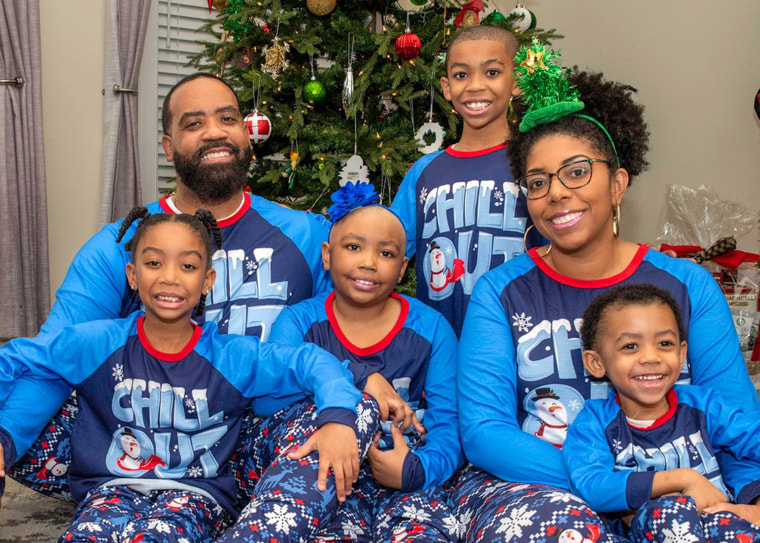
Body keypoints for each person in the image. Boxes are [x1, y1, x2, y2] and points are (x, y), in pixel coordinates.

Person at [453, 39, 760, 540]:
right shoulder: (500, 292)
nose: (556, 192)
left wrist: (751, 497)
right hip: (536, 486)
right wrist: (630, 485)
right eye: (537, 182)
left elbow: (736, 423)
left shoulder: (689, 285)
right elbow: (486, 435)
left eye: (576, 172)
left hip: (681, 493)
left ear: (617, 185)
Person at [5, 72, 335, 503]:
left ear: (247, 135)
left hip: (262, 438)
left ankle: (244, 506)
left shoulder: (306, 235)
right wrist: (5, 439)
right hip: (150, 434)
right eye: (194, 123)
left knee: (341, 409)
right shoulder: (118, 245)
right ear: (168, 146)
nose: (215, 132)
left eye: (228, 119)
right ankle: (139, 495)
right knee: (36, 394)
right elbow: (55, 354)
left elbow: (346, 330)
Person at [0, 209, 374, 542]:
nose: (170, 278)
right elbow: (17, 357)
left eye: (188, 266)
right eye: (153, 263)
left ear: (207, 280)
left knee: (155, 535)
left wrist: (339, 418)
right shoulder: (99, 342)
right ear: (132, 275)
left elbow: (311, 362)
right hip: (109, 489)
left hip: (195, 496)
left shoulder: (230, 357)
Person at [268, 182, 464, 541]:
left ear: (403, 267)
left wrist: (418, 470)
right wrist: (359, 377)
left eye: (386, 254)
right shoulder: (297, 322)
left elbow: (449, 423)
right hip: (327, 475)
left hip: (410, 478)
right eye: (353, 247)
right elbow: (272, 396)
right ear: (327, 255)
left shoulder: (432, 329)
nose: (369, 263)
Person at [564, 283, 760, 542]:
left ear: (681, 354)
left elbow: (753, 439)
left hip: (722, 520)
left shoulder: (704, 405)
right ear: (597, 363)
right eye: (631, 346)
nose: (651, 357)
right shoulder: (595, 421)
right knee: (669, 512)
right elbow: (592, 485)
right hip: (653, 528)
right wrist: (681, 478)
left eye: (664, 343)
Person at [391, 25, 538, 336]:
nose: (475, 86)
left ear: (517, 81)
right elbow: (386, 249)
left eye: (492, 72)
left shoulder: (536, 162)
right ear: (446, 87)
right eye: (461, 75)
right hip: (442, 350)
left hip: (521, 339)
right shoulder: (424, 172)